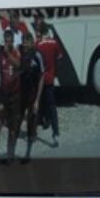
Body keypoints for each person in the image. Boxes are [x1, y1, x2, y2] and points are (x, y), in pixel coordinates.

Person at [0, 29, 22, 164]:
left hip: (14, 95)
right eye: (6, 40)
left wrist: (8, 53)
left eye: (10, 41)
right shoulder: (1, 53)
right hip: (3, 94)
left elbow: (18, 65)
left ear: (12, 41)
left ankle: (10, 155)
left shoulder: (16, 52)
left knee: (13, 128)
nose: (7, 43)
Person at [35, 20, 63, 148]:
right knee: (52, 107)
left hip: (39, 80)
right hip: (50, 79)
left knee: (36, 105)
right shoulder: (54, 43)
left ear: (40, 32)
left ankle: (33, 132)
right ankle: (56, 134)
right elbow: (59, 58)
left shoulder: (38, 45)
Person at [18, 32, 45, 164]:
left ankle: (27, 154)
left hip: (32, 94)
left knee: (30, 125)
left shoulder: (37, 55)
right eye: (24, 41)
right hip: (20, 94)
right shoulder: (20, 53)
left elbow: (41, 77)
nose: (25, 44)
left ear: (32, 42)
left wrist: (37, 100)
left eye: (27, 42)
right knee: (16, 121)